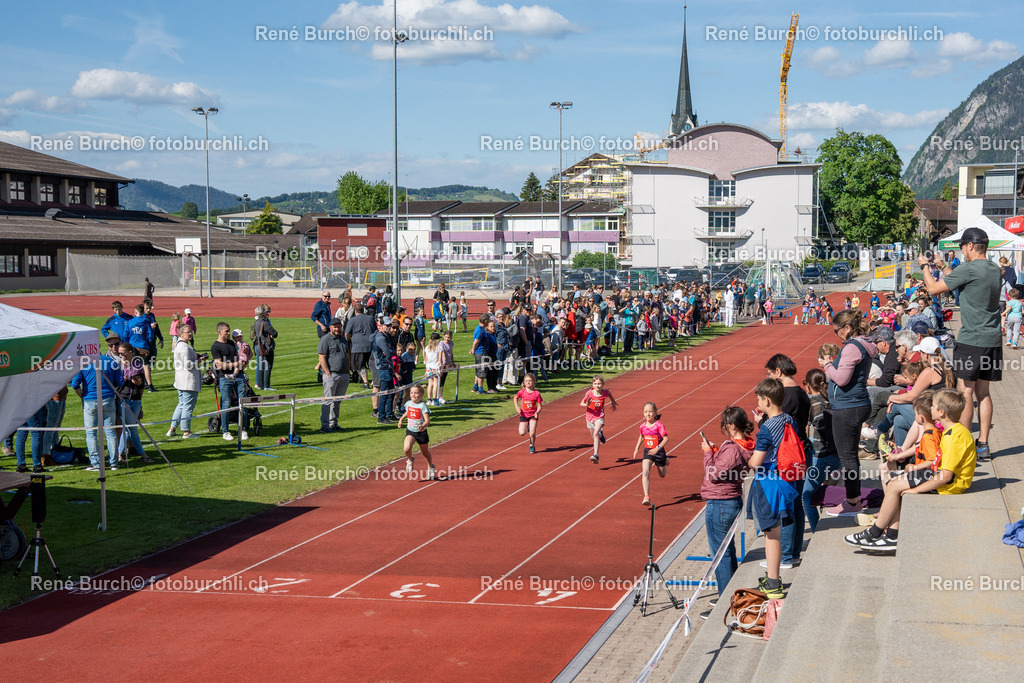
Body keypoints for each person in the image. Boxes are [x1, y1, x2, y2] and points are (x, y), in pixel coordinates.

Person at [845, 389, 977, 550]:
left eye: (933, 406)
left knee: (894, 485)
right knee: (894, 482)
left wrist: (916, 490)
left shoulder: (953, 437)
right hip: (938, 474)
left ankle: (875, 532)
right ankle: (891, 534)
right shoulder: (954, 430)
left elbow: (945, 476)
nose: (931, 408)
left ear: (941, 412)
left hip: (950, 484)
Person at [918, 227, 1001, 458]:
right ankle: (982, 443)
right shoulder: (994, 269)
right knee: (984, 392)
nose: (962, 251)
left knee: (965, 392)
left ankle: (962, 444)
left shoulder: (969, 268)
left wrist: (925, 266)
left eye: (962, 247)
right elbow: (961, 282)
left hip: (971, 339)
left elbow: (934, 289)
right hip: (992, 338)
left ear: (971, 246)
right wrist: (943, 265)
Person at [747, 379, 800, 600]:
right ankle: (773, 578)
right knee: (775, 531)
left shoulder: (766, 430)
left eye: (759, 399)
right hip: (787, 481)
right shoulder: (789, 419)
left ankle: (773, 582)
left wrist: (748, 459)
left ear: (766, 400)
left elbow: (756, 462)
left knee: (771, 534)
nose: (758, 402)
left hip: (769, 484)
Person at [821, 310, 876, 517]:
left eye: (837, 330)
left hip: (848, 407)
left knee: (848, 458)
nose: (836, 335)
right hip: (854, 404)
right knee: (850, 456)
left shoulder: (853, 347)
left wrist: (827, 365)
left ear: (847, 328)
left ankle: (852, 502)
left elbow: (842, 380)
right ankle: (852, 498)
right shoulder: (861, 345)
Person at [700, 406, 754, 601]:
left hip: (720, 503)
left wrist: (707, 452)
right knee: (727, 550)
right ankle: (731, 595)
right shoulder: (746, 445)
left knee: (720, 555)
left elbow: (712, 474)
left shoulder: (732, 449)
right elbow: (725, 468)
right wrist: (716, 452)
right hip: (730, 500)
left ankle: (726, 600)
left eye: (724, 426)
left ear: (731, 426)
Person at [764, 353, 810, 569]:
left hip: (787, 457)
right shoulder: (801, 392)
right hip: (801, 452)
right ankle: (794, 551)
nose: (769, 378)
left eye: (770, 374)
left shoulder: (787, 397)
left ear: (778, 372)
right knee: (796, 503)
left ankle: (785, 556)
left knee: (786, 506)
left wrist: (761, 420)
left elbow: (777, 426)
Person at [801, 369, 840, 532]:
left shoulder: (812, 404)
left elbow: (806, 427)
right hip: (838, 454)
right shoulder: (832, 399)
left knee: (806, 495)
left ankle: (817, 529)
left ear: (808, 385)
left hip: (821, 455)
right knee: (824, 487)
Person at [71, 351, 123, 472]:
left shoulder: (83, 363)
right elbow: (120, 381)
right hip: (108, 399)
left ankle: (96, 463)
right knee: (110, 431)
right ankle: (114, 463)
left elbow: (75, 384)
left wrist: (82, 396)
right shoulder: (110, 361)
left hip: (90, 399)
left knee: (91, 433)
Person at [211, 322, 249, 441]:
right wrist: (235, 365)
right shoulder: (215, 346)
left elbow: (239, 358)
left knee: (243, 402)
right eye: (227, 331)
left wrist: (237, 370)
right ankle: (225, 431)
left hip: (239, 376)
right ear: (219, 332)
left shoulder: (232, 343)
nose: (229, 333)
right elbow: (219, 365)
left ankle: (243, 429)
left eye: (229, 331)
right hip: (224, 378)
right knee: (226, 404)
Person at [116, 344, 153, 464]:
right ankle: (143, 455)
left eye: (123, 353)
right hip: (123, 399)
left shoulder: (138, 364)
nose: (121, 355)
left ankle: (119, 455)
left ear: (130, 352)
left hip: (136, 400)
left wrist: (139, 383)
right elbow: (114, 384)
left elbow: (142, 384)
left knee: (129, 428)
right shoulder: (118, 365)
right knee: (131, 429)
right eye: (119, 353)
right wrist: (123, 380)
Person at [168, 324, 202, 439]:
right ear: (181, 334)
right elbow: (188, 365)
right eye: (188, 332)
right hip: (188, 382)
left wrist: (195, 356)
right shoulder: (184, 347)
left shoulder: (181, 345)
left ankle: (172, 429)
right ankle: (186, 432)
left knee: (181, 405)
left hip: (181, 381)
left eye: (191, 331)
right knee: (187, 407)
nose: (190, 333)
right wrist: (199, 361)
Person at [318, 319, 350, 433]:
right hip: (332, 374)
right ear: (330, 327)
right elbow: (321, 357)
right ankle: (325, 425)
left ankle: (333, 423)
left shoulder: (343, 339)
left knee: (337, 401)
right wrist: (327, 374)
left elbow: (347, 355)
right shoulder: (325, 340)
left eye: (339, 326)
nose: (337, 329)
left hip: (343, 374)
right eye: (335, 327)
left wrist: (348, 370)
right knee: (327, 401)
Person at [635, 401, 669, 507]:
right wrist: (636, 449)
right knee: (645, 472)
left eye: (650, 411)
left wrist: (658, 448)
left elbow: (666, 438)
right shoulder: (642, 426)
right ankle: (646, 496)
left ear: (655, 412)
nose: (648, 414)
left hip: (658, 452)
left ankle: (666, 460)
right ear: (643, 413)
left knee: (662, 475)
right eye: (646, 412)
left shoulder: (659, 425)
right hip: (648, 452)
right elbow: (641, 436)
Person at [399, 384, 435, 480]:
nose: (413, 395)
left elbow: (427, 421)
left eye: (416, 393)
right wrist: (401, 419)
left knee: (425, 453)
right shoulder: (408, 403)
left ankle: (430, 467)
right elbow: (408, 412)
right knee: (406, 449)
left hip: (421, 433)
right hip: (410, 431)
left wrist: (422, 426)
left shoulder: (422, 406)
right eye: (411, 393)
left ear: (421, 394)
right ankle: (410, 460)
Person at [580, 375, 617, 464]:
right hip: (589, 417)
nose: (597, 386)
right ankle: (601, 435)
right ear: (592, 384)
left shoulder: (604, 393)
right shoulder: (589, 393)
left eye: (599, 384)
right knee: (594, 436)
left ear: (603, 384)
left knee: (595, 433)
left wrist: (613, 402)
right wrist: (587, 405)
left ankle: (595, 454)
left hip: (599, 417)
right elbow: (581, 403)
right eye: (595, 384)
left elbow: (609, 394)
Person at [372, 317, 400, 424]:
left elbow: (391, 351)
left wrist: (389, 352)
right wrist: (389, 352)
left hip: (387, 367)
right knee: (384, 393)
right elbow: (389, 352)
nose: (389, 327)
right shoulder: (380, 338)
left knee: (391, 392)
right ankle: (381, 417)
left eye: (390, 325)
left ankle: (389, 413)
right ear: (382, 326)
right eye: (388, 326)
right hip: (383, 367)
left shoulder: (385, 337)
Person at [251, 305, 278, 391]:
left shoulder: (257, 322)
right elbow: (274, 333)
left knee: (260, 366)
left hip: (260, 345)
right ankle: (266, 385)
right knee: (267, 366)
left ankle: (260, 384)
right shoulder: (264, 322)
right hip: (266, 346)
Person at [513, 372, 543, 453]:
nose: (528, 383)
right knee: (522, 433)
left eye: (530, 381)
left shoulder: (537, 393)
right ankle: (528, 427)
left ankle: (531, 445)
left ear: (533, 381)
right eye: (526, 381)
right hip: (524, 415)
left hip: (533, 415)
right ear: (524, 382)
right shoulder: (522, 392)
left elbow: (540, 406)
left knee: (532, 433)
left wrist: (537, 412)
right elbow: (515, 398)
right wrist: (517, 407)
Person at [14, 406, 48, 473]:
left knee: (21, 434)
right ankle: (37, 465)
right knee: (36, 434)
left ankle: (21, 465)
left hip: (19, 408)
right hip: (31, 407)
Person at [437, 330, 455, 405]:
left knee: (443, 381)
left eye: (449, 337)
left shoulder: (450, 343)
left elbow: (451, 352)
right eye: (447, 337)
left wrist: (453, 362)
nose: (448, 339)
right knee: (439, 381)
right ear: (444, 336)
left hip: (447, 364)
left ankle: (440, 396)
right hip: (442, 364)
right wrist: (442, 362)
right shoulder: (441, 343)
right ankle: (437, 396)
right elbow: (442, 352)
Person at [424, 333, 442, 406]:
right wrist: (441, 367)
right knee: (435, 383)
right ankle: (434, 399)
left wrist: (427, 366)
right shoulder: (439, 348)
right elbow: (440, 360)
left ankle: (429, 399)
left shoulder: (427, 347)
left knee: (430, 383)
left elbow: (425, 358)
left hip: (429, 367)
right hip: (436, 367)